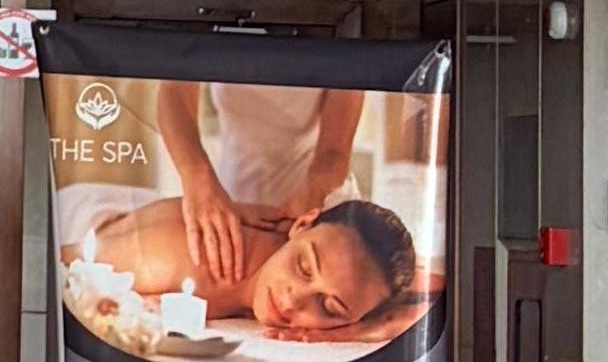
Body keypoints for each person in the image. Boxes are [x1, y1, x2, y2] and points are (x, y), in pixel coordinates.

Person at [85, 183, 421, 343]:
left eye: (330, 307)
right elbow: (69, 265)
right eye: (303, 267)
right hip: (91, 210)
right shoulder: (177, 256)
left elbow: (433, 299)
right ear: (302, 224)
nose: (292, 301)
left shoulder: (367, 280)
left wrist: (366, 330)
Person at [153, 83, 363, 304]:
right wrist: (197, 178)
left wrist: (310, 204)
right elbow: (174, 90)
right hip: (226, 203)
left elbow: (334, 152)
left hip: (311, 207)